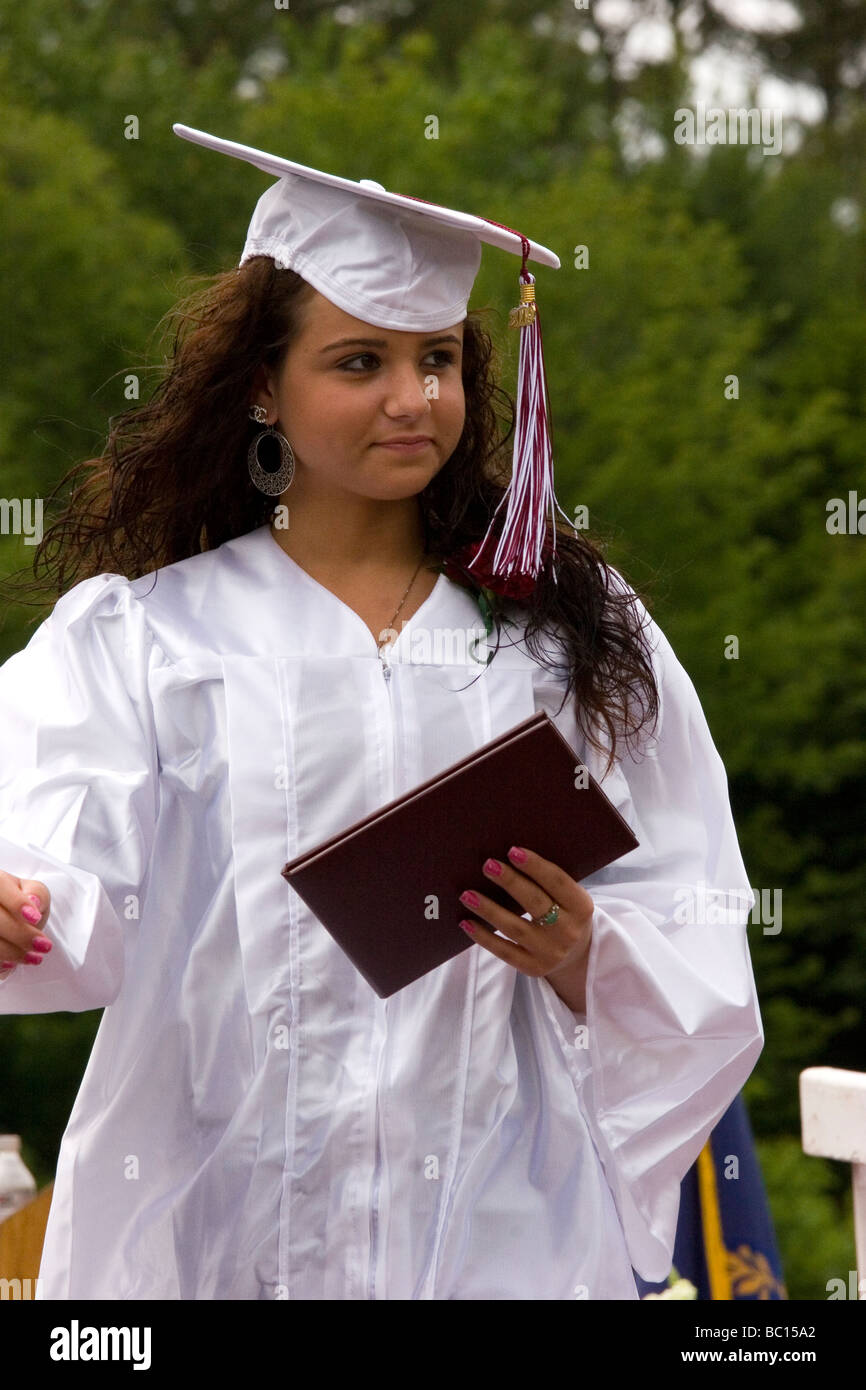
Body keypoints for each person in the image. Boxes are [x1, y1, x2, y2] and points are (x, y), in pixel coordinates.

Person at [0, 125, 762, 1300]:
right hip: (215, 1226)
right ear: (264, 382)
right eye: (358, 363)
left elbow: (691, 904)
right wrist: (22, 908)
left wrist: (586, 954)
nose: (413, 399)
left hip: (504, 1229)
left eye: (438, 360)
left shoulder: (565, 635)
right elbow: (62, 875)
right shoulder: (149, 642)